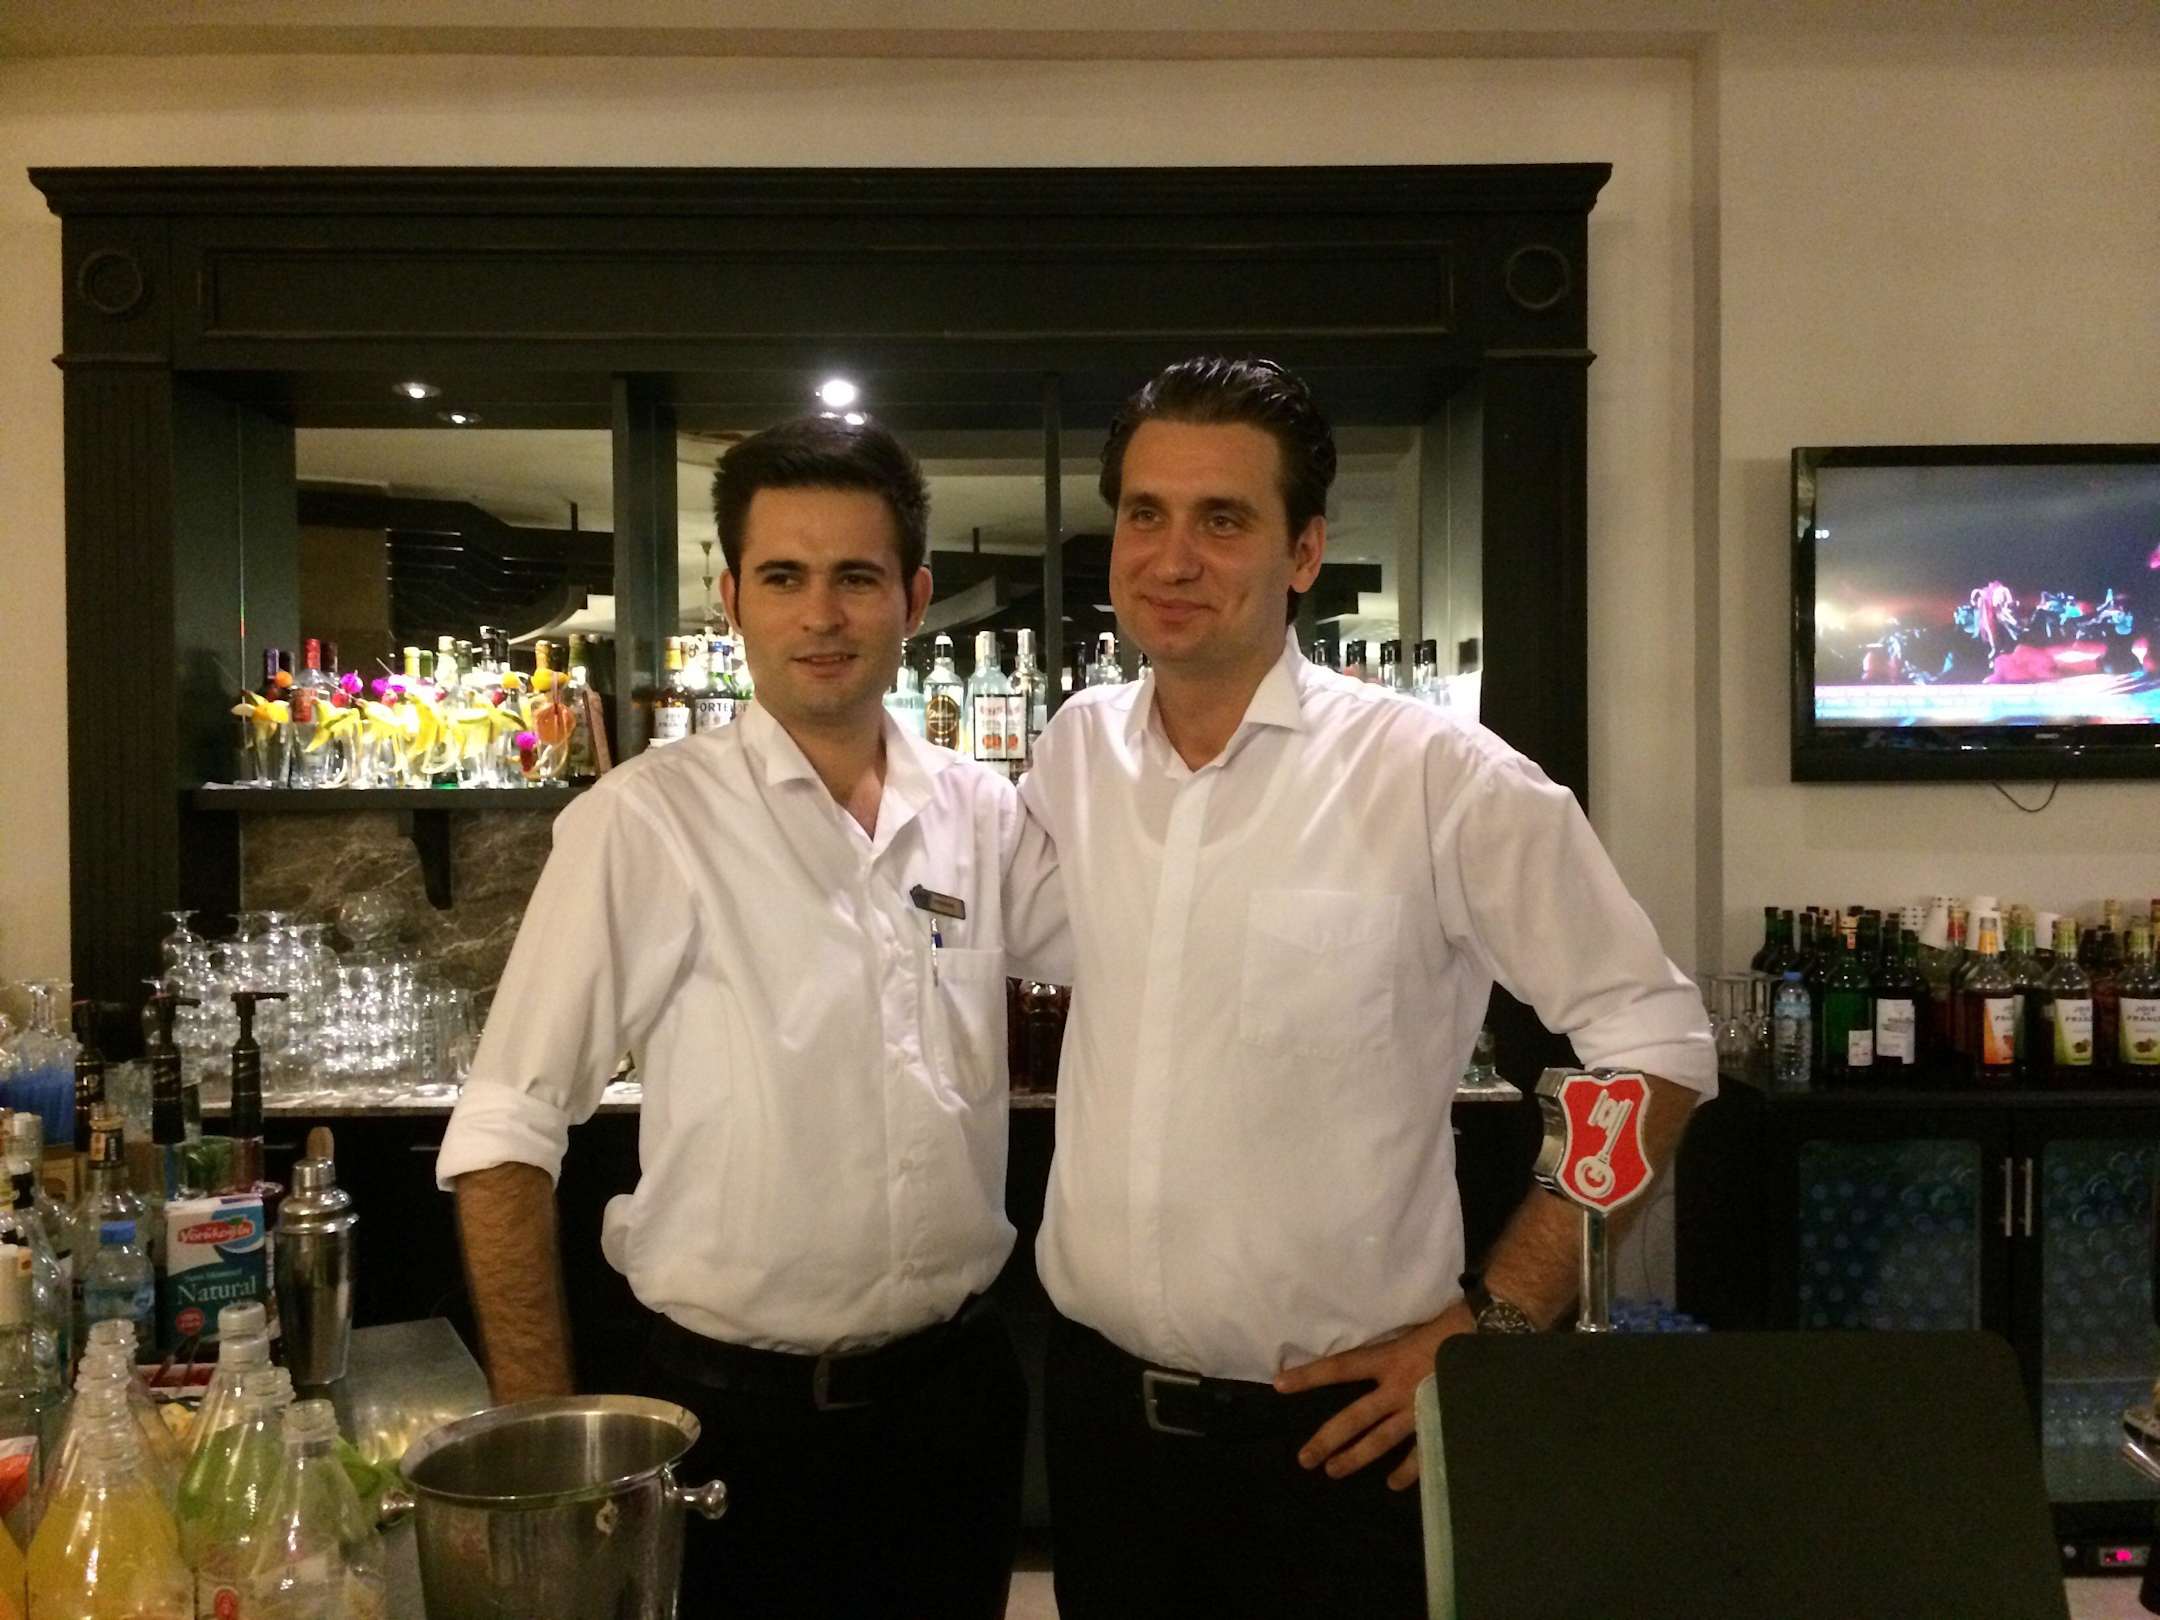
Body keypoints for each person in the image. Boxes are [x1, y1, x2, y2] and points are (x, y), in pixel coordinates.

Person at [1019, 357, 1716, 1618]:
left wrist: (1502, 1320)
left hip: (1340, 1437)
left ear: (1304, 551)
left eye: (1222, 518)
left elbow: (1658, 1044)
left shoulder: (1441, 778)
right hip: (1103, 1426)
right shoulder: (1077, 752)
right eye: (1145, 513)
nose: (1172, 557)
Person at [437, 414, 1066, 1620]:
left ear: (914, 598)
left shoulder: (982, 815)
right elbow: (506, 1130)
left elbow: (1146, 948)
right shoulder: (645, 821)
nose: (819, 614)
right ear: (732, 599)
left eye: (856, 577)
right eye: (783, 577)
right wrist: (546, 1443)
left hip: (954, 1411)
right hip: (731, 1426)